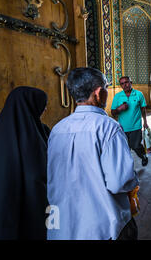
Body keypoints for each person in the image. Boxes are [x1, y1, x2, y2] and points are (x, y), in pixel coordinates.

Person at [47, 68, 139, 240]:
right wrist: (134, 180)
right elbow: (119, 182)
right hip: (105, 227)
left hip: (65, 227)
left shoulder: (57, 129)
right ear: (98, 93)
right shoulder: (108, 128)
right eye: (105, 87)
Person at [0, 87, 49, 239]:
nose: (44, 109)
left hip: (7, 201)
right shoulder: (31, 134)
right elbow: (36, 171)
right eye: (42, 104)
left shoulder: (1, 129)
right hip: (28, 201)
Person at [111, 76, 150, 167]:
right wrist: (120, 108)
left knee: (136, 146)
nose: (125, 85)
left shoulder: (139, 94)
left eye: (127, 82)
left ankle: (143, 156)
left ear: (131, 82)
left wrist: (145, 122)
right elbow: (113, 112)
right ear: (120, 85)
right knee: (125, 149)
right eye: (122, 83)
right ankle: (128, 167)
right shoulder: (117, 96)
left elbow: (143, 109)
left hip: (136, 126)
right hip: (122, 128)